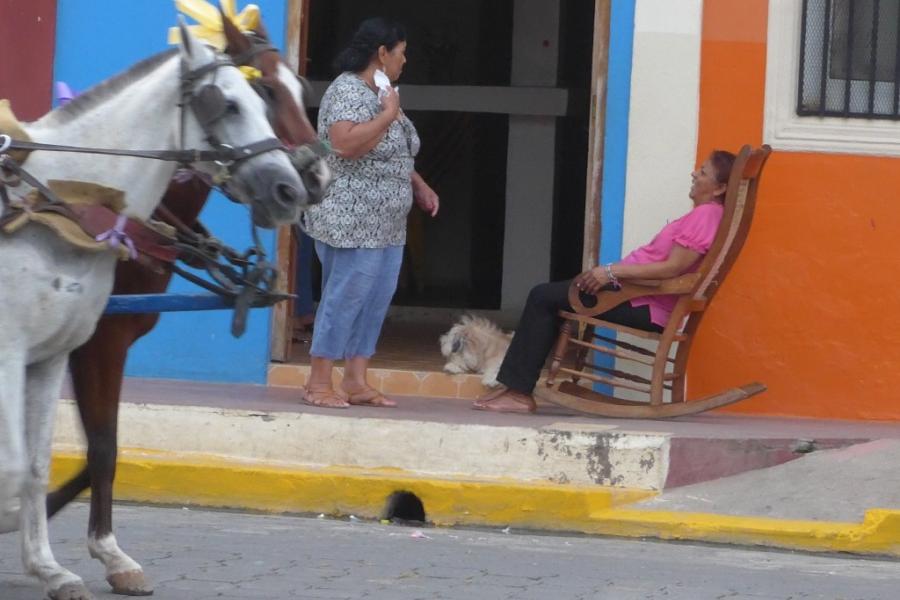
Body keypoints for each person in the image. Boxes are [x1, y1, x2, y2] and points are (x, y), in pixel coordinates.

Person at [473, 150, 736, 413]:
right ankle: (516, 387)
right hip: (635, 295)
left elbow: (672, 268)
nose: (694, 174)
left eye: (702, 172)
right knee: (551, 296)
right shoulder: (706, 214)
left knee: (543, 297)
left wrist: (611, 272)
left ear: (720, 187)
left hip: (643, 304)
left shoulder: (706, 215)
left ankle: (518, 392)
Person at [299, 17, 439, 408]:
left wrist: (418, 183)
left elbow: (392, 149)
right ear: (382, 53)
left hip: (387, 222)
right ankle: (318, 383)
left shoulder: (382, 92)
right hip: (350, 220)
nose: (404, 61)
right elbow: (343, 145)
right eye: (401, 53)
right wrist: (386, 115)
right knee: (344, 297)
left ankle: (356, 380)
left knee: (375, 298)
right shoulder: (347, 91)